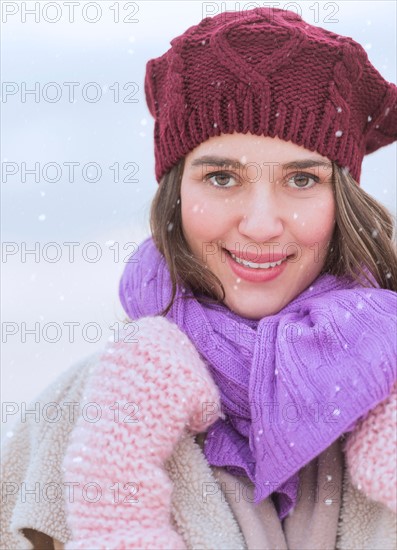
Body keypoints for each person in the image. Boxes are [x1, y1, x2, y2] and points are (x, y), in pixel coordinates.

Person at [1, 7, 396, 550]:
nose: (260, 224)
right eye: (222, 177)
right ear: (177, 195)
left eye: (302, 178)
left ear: (342, 201)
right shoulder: (81, 414)